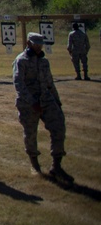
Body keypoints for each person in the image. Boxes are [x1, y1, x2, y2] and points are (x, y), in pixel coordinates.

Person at [14, 32, 71, 181]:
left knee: (59, 127)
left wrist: (57, 101)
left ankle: (56, 166)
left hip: (47, 101)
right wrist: (32, 102)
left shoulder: (44, 61)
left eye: (40, 44)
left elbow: (50, 83)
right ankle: (34, 164)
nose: (39, 47)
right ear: (29, 43)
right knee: (31, 133)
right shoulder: (21, 61)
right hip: (29, 104)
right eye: (35, 44)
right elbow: (19, 84)